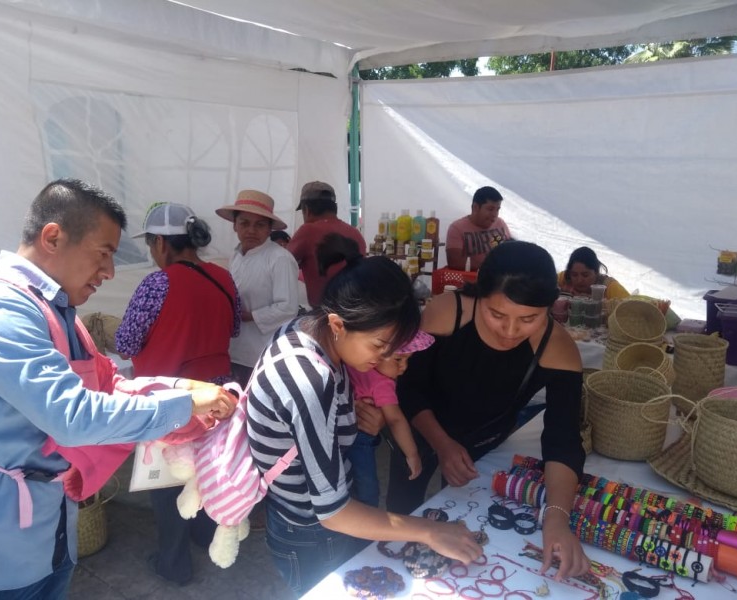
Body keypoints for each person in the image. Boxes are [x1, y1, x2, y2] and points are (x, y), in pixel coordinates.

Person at [0, 179, 236, 599]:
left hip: (50, 529)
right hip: (0, 545)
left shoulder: (59, 310)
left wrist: (177, 388)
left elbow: (110, 379)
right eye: (104, 254)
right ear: (53, 237)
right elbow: (73, 416)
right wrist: (184, 401)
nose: (110, 272)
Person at [247, 232, 482, 595]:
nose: (387, 358)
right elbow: (334, 512)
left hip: (308, 519)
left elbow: (308, 426)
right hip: (310, 532)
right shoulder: (310, 380)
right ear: (339, 324)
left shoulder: (306, 329)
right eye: (379, 346)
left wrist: (349, 417)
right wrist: (428, 530)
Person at [386, 240, 591, 581]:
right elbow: (408, 389)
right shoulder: (448, 311)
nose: (510, 332)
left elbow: (563, 438)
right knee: (405, 508)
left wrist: (556, 516)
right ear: (480, 294)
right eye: (497, 314)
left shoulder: (559, 349)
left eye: (529, 319)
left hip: (484, 439)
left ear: (550, 308)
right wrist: (442, 443)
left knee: (465, 516)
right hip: (419, 427)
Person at [115, 202, 241, 585]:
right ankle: (205, 535)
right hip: (217, 395)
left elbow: (126, 342)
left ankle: (174, 564)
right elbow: (233, 329)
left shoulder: (158, 282)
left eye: (152, 246)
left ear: (160, 243)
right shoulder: (223, 277)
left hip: (171, 398)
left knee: (166, 482)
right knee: (205, 468)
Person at [216, 190, 300, 387]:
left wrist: (251, 315)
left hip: (264, 351)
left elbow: (288, 308)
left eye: (260, 225)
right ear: (234, 225)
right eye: (244, 223)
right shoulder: (236, 255)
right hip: (235, 348)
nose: (251, 230)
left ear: (269, 229)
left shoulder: (280, 258)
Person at [345, 330, 434, 508]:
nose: (404, 367)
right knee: (367, 487)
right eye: (398, 359)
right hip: (360, 439)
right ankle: (368, 517)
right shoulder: (382, 383)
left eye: (408, 360)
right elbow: (395, 419)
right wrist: (412, 454)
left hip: (341, 431)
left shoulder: (352, 360)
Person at [287, 181, 366, 308]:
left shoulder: (308, 231)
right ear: (334, 207)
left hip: (325, 314)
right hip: (355, 310)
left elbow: (282, 263)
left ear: (306, 210)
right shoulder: (356, 233)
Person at [445, 185, 512, 272]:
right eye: (490, 209)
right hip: (470, 282)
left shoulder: (500, 223)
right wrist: (492, 267)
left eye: (497, 210)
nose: (495, 214)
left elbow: (511, 251)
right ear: (475, 207)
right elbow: (454, 262)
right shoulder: (457, 228)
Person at [557, 246, 630, 299]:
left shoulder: (610, 287)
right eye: (574, 275)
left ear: (596, 272)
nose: (579, 280)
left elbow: (633, 307)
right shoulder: (564, 278)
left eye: (585, 275)